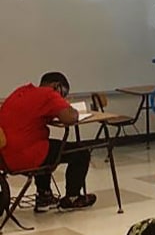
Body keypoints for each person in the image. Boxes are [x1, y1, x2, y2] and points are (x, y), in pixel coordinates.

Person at [0, 72, 96, 211]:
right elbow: (70, 118)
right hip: (24, 156)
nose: (62, 97)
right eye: (63, 94)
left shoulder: (22, 91)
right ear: (57, 86)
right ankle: (72, 197)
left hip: (3, 156)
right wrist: (69, 108)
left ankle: (44, 196)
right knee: (81, 152)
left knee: (47, 145)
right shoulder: (49, 94)